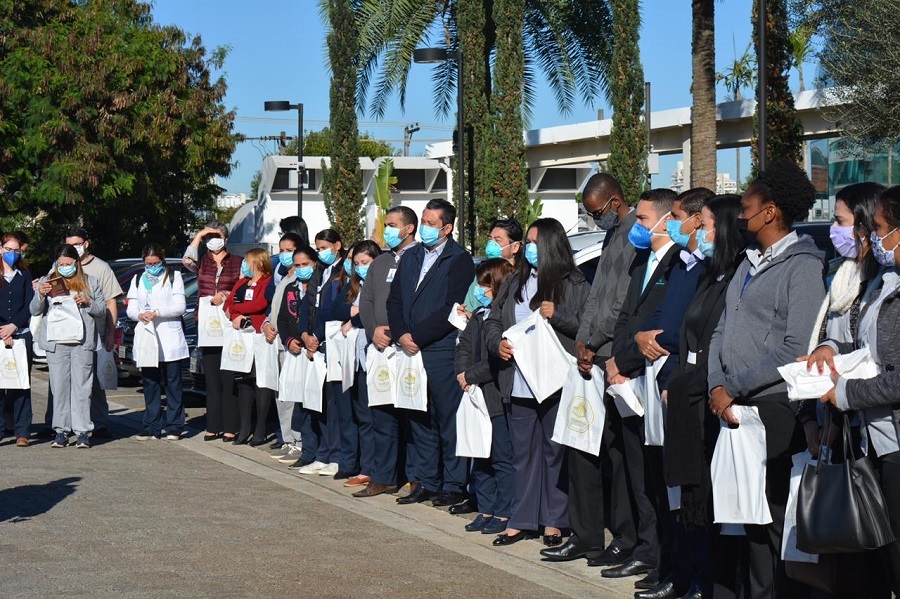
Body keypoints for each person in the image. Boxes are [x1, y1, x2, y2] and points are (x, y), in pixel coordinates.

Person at [707, 159, 824, 598]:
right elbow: (722, 328)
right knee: (749, 524)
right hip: (736, 411)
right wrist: (716, 385)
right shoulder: (748, 261)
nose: (740, 215)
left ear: (771, 211)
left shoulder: (803, 266)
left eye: (747, 206)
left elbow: (795, 346)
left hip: (775, 410)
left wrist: (732, 387)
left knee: (775, 525)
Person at [805, 184, 900, 597]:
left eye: (878, 228)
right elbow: (867, 346)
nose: (873, 237)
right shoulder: (887, 279)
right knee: (878, 560)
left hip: (895, 444)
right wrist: (832, 347)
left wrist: (844, 395)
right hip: (873, 441)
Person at [654, 193, 746, 599]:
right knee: (684, 496)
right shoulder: (711, 274)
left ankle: (709, 579)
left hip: (706, 399)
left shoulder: (736, 277)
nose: (700, 233)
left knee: (707, 501)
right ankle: (688, 573)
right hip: (686, 393)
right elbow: (690, 338)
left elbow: (714, 345)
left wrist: (690, 383)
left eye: (706, 226)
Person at [545, 173, 639, 568]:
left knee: (616, 458)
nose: (593, 217)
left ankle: (622, 537)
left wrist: (595, 341)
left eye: (596, 211)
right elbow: (596, 297)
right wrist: (583, 341)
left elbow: (618, 302)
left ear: (615, 201)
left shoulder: (635, 234)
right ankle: (585, 537)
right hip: (590, 355)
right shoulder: (613, 234)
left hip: (611, 356)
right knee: (582, 449)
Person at [484, 217, 590, 547]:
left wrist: (555, 314)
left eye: (533, 243)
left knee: (555, 452)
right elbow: (492, 321)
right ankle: (522, 518)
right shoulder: (516, 281)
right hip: (518, 381)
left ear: (550, 245)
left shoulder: (573, 282)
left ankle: (554, 521)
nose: (528, 249)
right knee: (523, 454)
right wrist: (496, 344)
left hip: (556, 382)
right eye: (527, 243)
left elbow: (586, 327)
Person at [599, 189, 679, 587]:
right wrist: (615, 361)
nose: (639, 228)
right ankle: (645, 548)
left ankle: (659, 554)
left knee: (654, 476)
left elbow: (660, 326)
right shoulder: (642, 262)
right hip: (626, 379)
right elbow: (625, 319)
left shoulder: (677, 263)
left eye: (645, 221)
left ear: (666, 221)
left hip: (650, 377)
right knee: (634, 470)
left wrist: (624, 363)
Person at [387, 198, 475, 507]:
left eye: (431, 223)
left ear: (447, 228)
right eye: (423, 221)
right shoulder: (411, 257)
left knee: (447, 417)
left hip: (438, 348)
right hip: (409, 349)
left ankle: (453, 483)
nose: (424, 227)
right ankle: (426, 480)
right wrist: (401, 333)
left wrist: (419, 336)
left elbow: (452, 306)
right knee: (418, 416)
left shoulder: (458, 259)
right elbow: (395, 299)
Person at [800, 182, 883, 460]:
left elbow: (866, 358)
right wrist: (809, 417)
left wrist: (835, 420)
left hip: (859, 422)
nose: (832, 228)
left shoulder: (878, 283)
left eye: (839, 221)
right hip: (828, 417)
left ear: (865, 223)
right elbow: (826, 339)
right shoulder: (843, 275)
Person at [355, 206, 419, 498]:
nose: (387, 230)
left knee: (413, 418)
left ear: (409, 228)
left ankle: (415, 478)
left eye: (392, 225)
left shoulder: (419, 258)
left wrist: (399, 330)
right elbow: (366, 300)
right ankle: (383, 477)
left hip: (408, 348)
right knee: (382, 417)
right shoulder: (380, 262)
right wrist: (373, 330)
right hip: (380, 348)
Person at [454, 258, 517, 535]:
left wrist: (471, 375)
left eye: (484, 285)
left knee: (502, 458)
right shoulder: (479, 315)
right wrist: (462, 373)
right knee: (479, 456)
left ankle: (504, 512)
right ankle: (486, 508)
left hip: (495, 396)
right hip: (473, 394)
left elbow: (497, 360)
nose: (479, 290)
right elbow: (464, 346)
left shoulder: (502, 315)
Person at [31, 244, 106, 448]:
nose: (64, 267)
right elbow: (34, 310)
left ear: (77, 263)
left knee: (82, 387)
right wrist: (40, 294)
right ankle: (61, 431)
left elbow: (102, 311)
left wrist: (89, 302)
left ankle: (82, 431)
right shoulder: (48, 281)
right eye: (60, 264)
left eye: (68, 264)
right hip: (56, 341)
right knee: (59, 387)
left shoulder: (91, 282)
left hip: (82, 342)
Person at [292, 229, 346, 475]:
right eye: (318, 246)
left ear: (337, 245)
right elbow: (307, 306)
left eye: (324, 246)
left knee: (334, 405)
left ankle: (335, 455)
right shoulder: (319, 272)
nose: (321, 251)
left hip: (330, 342)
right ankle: (322, 453)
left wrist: (318, 337)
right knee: (318, 402)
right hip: (313, 343)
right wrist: (304, 334)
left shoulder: (342, 271)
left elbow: (334, 310)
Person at [183, 221, 243, 442]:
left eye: (216, 236)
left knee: (229, 378)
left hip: (228, 324)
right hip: (207, 326)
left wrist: (226, 294)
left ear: (225, 239)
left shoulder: (237, 261)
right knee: (211, 378)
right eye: (209, 238)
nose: (212, 241)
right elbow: (186, 260)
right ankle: (213, 425)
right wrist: (199, 235)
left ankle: (230, 426)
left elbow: (243, 286)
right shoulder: (202, 263)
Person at [332, 240, 382, 488]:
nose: (361, 268)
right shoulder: (355, 285)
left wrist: (356, 319)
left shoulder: (380, 286)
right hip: (354, 357)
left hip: (374, 355)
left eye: (366, 263)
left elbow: (374, 312)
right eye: (357, 264)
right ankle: (365, 466)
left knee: (371, 416)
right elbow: (336, 310)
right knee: (360, 414)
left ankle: (371, 468)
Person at [64, 227, 123, 439]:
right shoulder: (60, 265)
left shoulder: (101, 268)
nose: (74, 249)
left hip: (94, 333)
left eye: (77, 244)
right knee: (65, 381)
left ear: (86, 244)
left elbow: (110, 301)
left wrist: (110, 333)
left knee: (95, 381)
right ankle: (64, 425)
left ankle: (99, 422)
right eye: (69, 245)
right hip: (66, 334)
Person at [126, 244, 189, 441]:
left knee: (172, 383)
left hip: (169, 337)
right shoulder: (138, 279)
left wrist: (157, 312)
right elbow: (130, 308)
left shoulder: (174, 277)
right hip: (147, 335)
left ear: (162, 261)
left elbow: (180, 307)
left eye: (156, 263)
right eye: (148, 263)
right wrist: (139, 314)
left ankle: (174, 425)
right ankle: (151, 424)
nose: (152, 267)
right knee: (150, 382)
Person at [221, 248, 273, 445]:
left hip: (259, 335)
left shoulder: (267, 281)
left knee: (260, 382)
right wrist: (235, 314)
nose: (244, 265)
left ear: (258, 263)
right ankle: (244, 428)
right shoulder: (242, 282)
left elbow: (259, 304)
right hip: (241, 337)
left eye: (247, 261)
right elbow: (229, 305)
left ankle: (260, 429)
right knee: (243, 382)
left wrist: (236, 310)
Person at [274, 245, 319, 468]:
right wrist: (289, 340)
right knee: (297, 400)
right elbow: (282, 318)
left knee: (313, 401)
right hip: (295, 349)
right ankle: (302, 445)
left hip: (313, 350)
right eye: (298, 265)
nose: (302, 269)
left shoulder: (318, 286)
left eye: (306, 265)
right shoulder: (291, 287)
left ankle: (314, 448)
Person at [0, 234, 35, 447]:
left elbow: (29, 306)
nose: (12, 254)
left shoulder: (24, 275)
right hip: (0, 335)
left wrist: (14, 327)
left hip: (21, 335)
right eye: (8, 249)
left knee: (21, 384)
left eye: (16, 250)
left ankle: (23, 431)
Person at [463, 218, 523, 312]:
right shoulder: (480, 276)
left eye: (498, 240)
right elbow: (468, 307)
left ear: (515, 247)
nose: (491, 245)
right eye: (490, 240)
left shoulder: (521, 279)